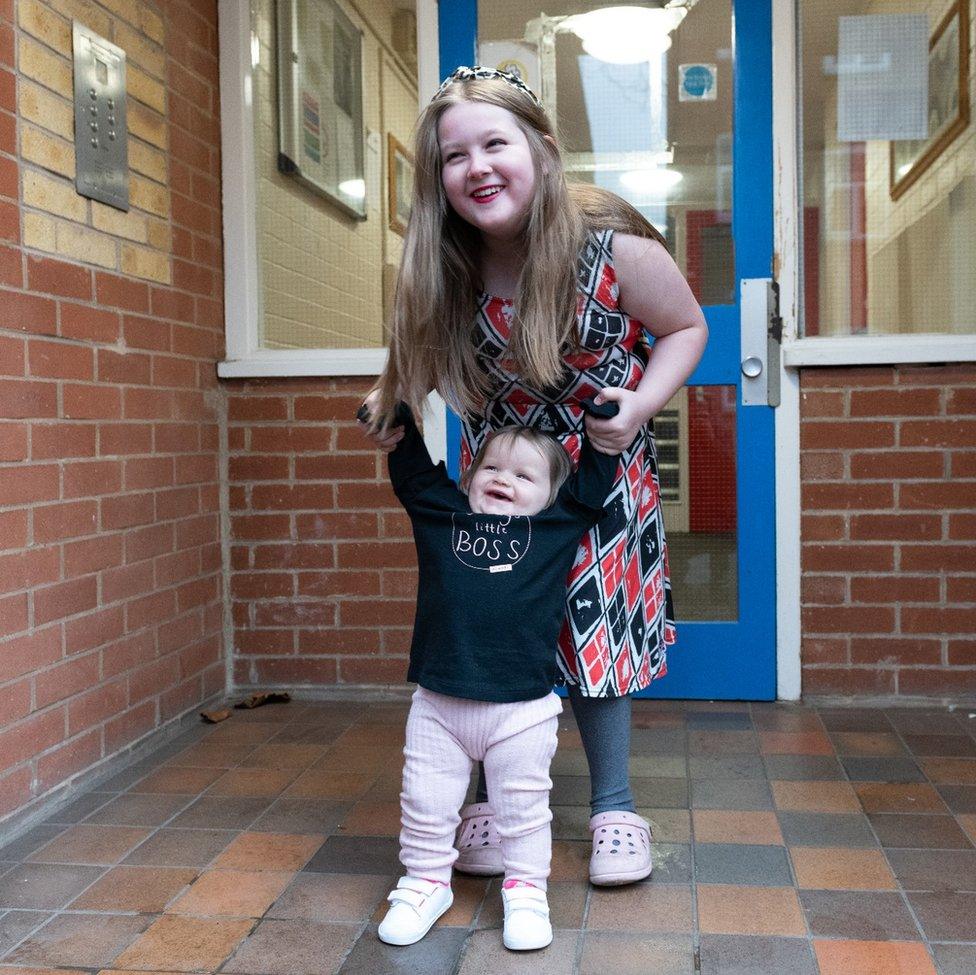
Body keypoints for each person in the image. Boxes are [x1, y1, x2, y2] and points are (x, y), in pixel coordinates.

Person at [360, 65, 708, 887]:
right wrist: (389, 400)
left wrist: (639, 406)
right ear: (437, 179)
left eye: (495, 143)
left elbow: (687, 327)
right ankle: (487, 798)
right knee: (490, 618)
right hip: (501, 481)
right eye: (454, 155)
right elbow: (410, 357)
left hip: (597, 471)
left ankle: (614, 804)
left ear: (542, 152)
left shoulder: (613, 246)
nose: (476, 166)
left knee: (592, 632)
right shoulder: (446, 266)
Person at [375, 403, 619, 950]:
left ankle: (527, 890)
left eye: (523, 474)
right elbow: (413, 474)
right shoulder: (445, 515)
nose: (503, 478)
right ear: (470, 478)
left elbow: (590, 485)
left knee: (523, 808)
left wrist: (602, 435)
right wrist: (397, 420)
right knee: (426, 801)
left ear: (550, 495)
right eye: (491, 468)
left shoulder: (556, 526)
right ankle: (425, 882)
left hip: (521, 709)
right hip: (439, 703)